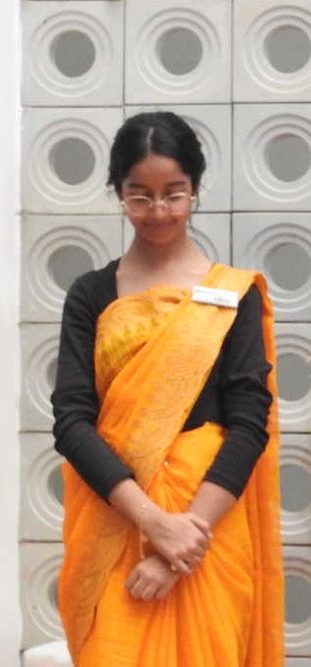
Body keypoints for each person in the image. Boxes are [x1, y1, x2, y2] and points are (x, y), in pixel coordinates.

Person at [51, 111, 283, 665]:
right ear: (119, 193)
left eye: (174, 194)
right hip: (116, 523)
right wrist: (153, 523)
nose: (158, 211)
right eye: (140, 196)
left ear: (195, 189)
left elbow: (249, 424)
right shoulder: (91, 294)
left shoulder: (233, 294)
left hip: (209, 529)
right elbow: (72, 421)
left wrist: (182, 545)